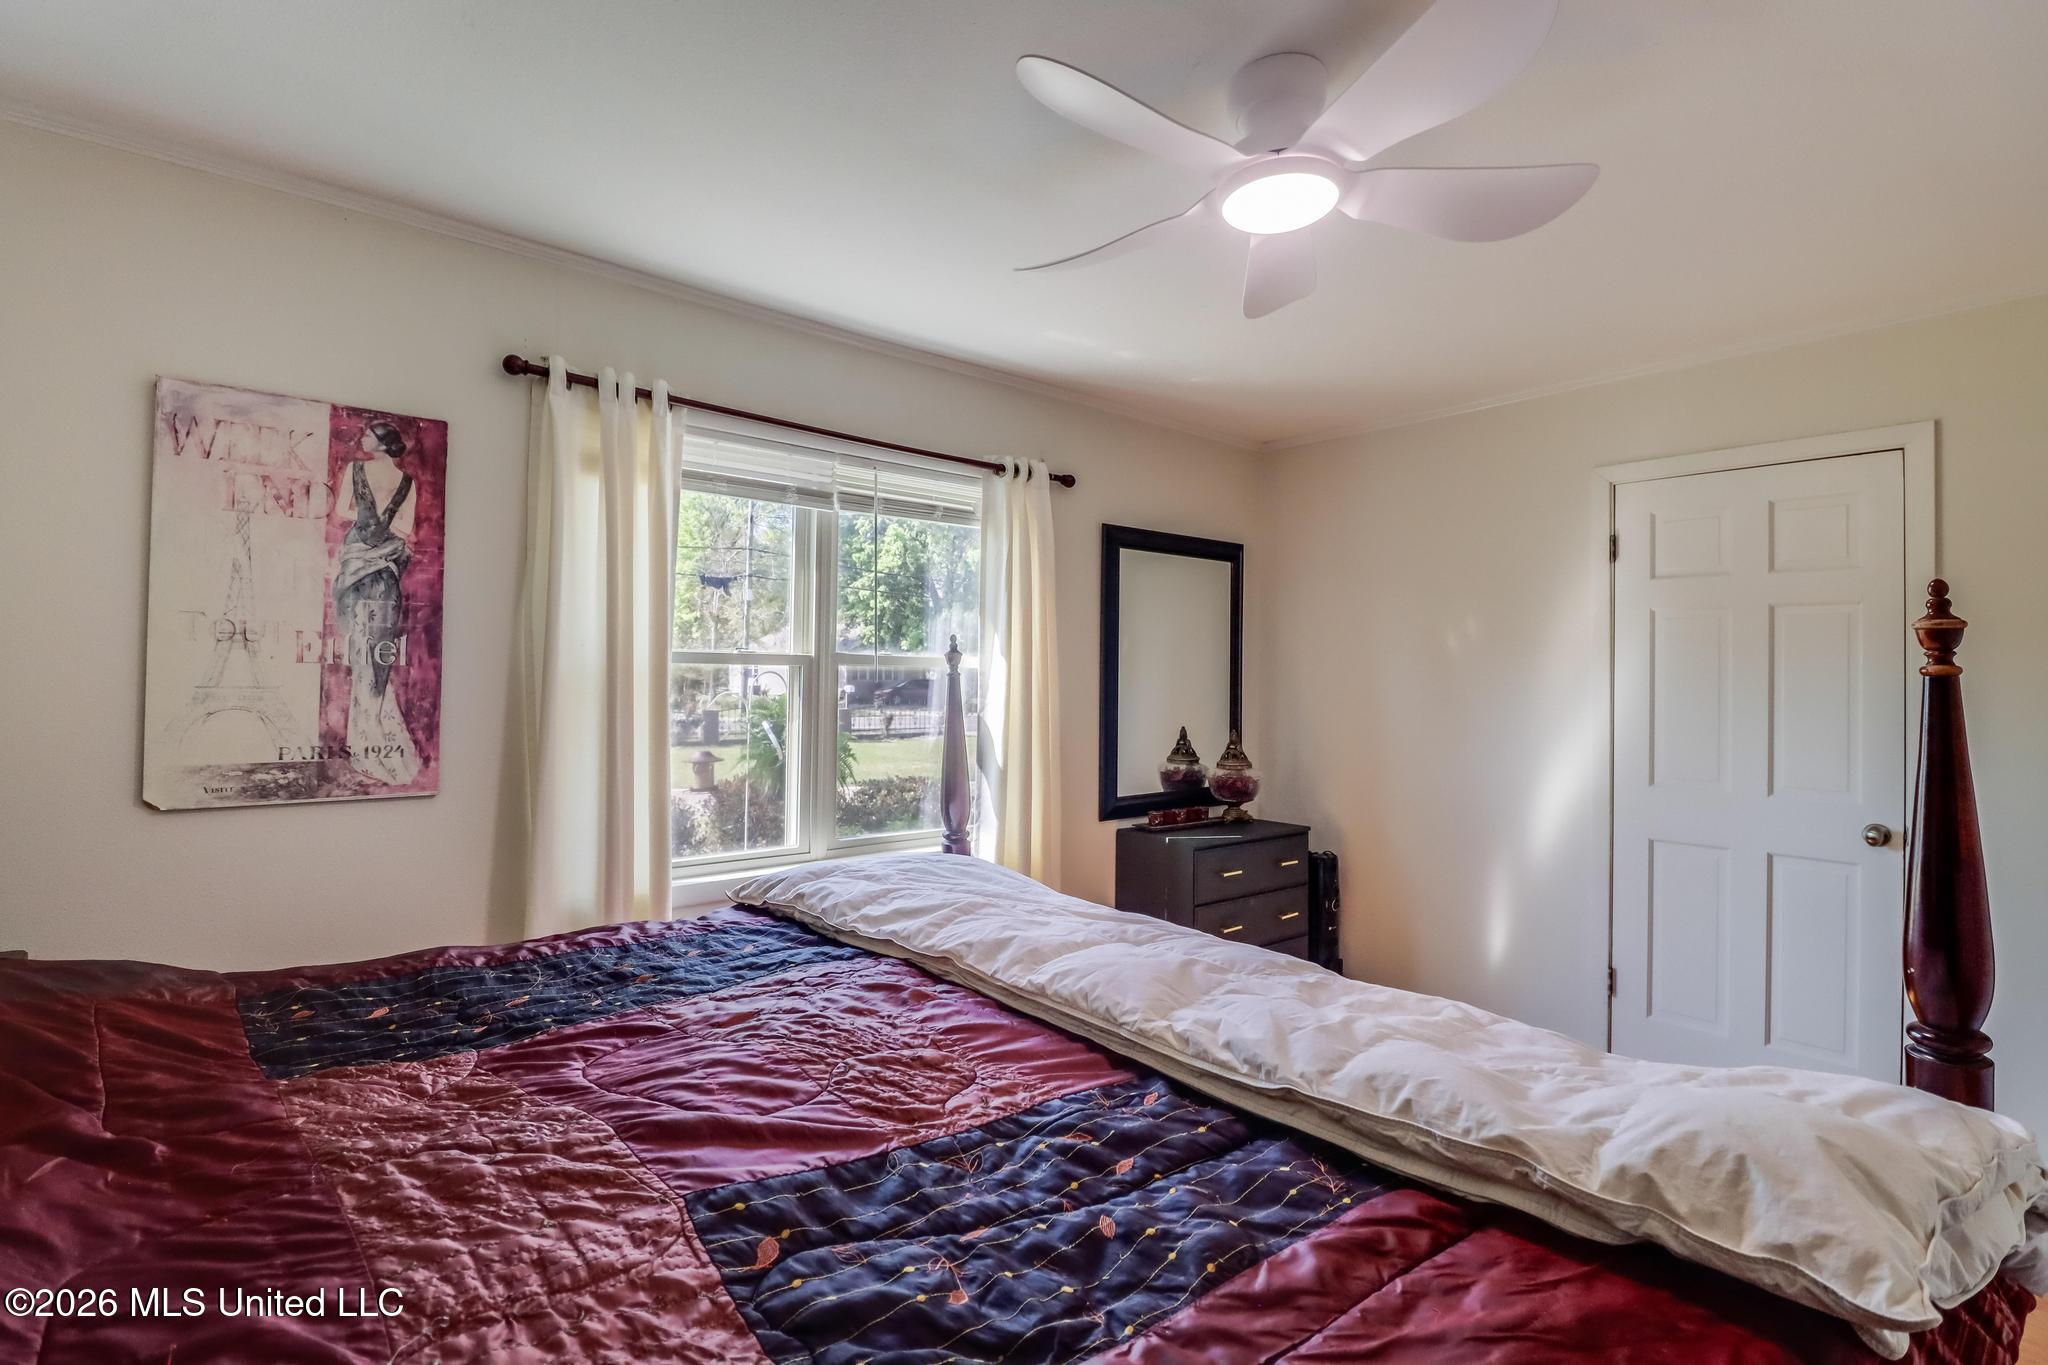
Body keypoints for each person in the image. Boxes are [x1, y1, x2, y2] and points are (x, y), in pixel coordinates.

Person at [331, 419, 421, 785]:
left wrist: (366, 520)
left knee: (363, 647)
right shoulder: (406, 483)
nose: (362, 437)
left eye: (368, 434)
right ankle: (370, 739)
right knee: (377, 647)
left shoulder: (355, 470)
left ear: (382, 442)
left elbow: (342, 511)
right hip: (385, 563)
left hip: (358, 561)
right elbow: (405, 527)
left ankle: (365, 739)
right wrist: (383, 524)